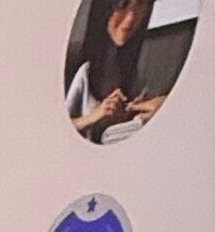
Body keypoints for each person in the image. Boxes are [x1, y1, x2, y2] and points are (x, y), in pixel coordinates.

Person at [68, 0, 168, 141]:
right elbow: (49, 129)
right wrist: (96, 115)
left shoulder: (142, 67)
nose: (131, 18)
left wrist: (129, 113)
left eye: (141, 5)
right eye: (122, 5)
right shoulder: (75, 62)